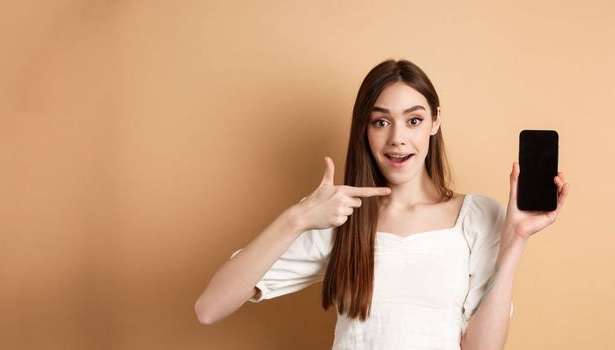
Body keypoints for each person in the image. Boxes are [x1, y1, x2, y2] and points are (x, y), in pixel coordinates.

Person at [194, 59, 570, 349]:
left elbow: (482, 347)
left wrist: (515, 239)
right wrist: (298, 217)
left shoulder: (479, 216)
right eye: (380, 122)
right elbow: (210, 308)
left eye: (414, 120)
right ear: (364, 128)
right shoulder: (341, 216)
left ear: (435, 122)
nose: (397, 139)